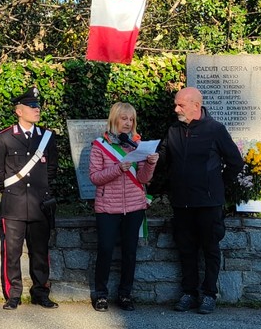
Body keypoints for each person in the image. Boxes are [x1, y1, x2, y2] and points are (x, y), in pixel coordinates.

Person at [155, 87, 243, 315]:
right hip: (182, 201)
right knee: (185, 249)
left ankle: (209, 294)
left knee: (210, 248)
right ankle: (189, 293)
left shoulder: (215, 129)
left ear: (196, 105)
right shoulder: (173, 129)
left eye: (180, 105)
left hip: (208, 203)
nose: (176, 109)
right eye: (176, 104)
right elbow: (164, 157)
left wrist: (218, 184)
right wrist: (153, 158)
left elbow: (235, 161)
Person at [0, 87, 59, 310]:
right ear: (19, 111)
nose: (37, 110)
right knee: (13, 252)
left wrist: (41, 190)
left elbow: (52, 169)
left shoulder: (47, 137)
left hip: (40, 204)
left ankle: (40, 292)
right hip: (14, 204)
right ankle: (14, 294)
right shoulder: (6, 137)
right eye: (32, 107)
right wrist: (10, 190)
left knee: (40, 252)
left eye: (38, 106)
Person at [88, 102, 158, 312]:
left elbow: (144, 179)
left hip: (135, 207)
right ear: (114, 119)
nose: (128, 123)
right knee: (106, 250)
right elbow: (95, 178)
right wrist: (118, 169)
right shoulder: (100, 145)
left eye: (131, 120)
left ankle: (125, 294)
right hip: (108, 207)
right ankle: (101, 295)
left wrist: (151, 163)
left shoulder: (138, 145)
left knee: (129, 252)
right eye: (124, 118)